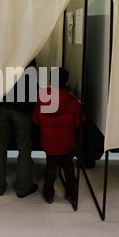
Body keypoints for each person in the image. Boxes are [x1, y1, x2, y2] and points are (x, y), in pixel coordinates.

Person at [31, 67, 83, 204]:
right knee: (68, 166)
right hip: (67, 142)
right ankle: (71, 194)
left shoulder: (41, 98)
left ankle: (49, 195)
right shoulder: (72, 102)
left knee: (50, 167)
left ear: (49, 81)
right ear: (66, 83)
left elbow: (36, 119)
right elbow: (78, 121)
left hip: (49, 142)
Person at [0, 60, 38, 198]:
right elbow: (32, 87)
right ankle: (23, 188)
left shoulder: (3, 53)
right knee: (24, 149)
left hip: (2, 107)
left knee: (0, 148)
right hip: (22, 110)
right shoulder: (29, 56)